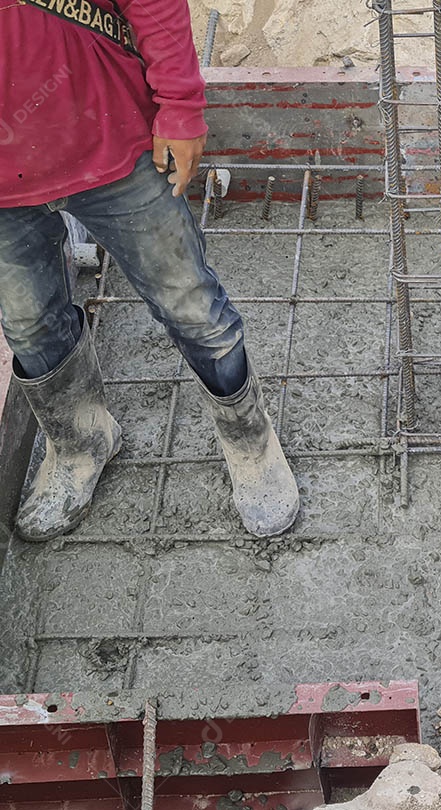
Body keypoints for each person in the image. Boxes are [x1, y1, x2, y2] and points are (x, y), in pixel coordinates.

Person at [0, 0, 300, 539]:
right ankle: (79, 447)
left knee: (191, 304)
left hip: (110, 139)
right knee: (29, 325)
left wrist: (181, 105)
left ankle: (250, 443)